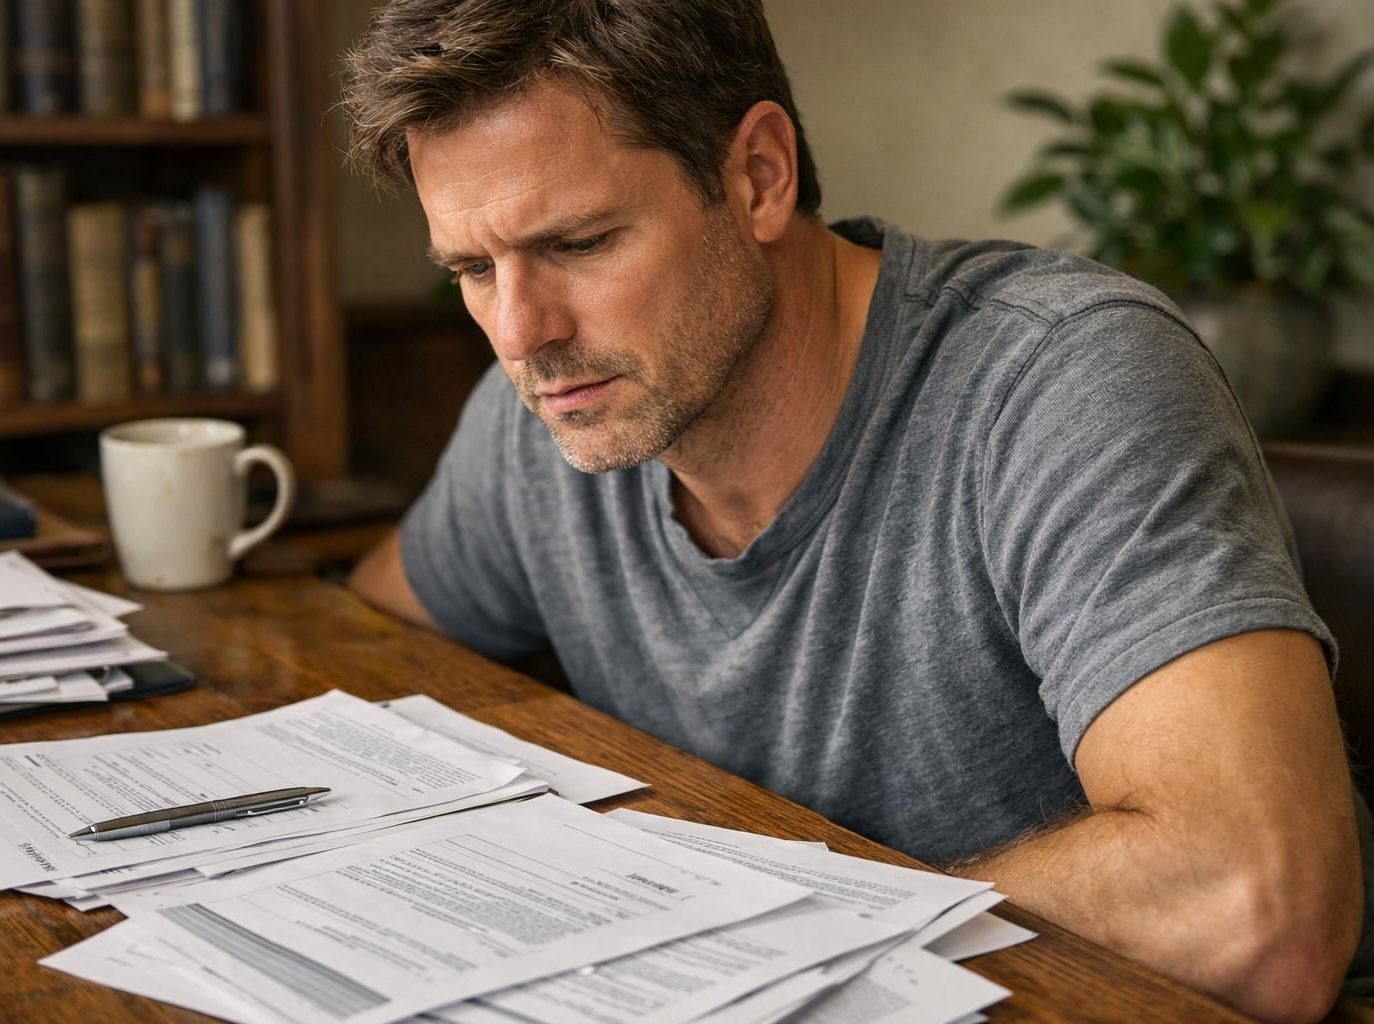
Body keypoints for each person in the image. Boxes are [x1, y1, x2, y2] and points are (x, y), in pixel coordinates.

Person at [337, 2, 1368, 1018]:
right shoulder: (548, 416)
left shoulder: (1060, 378)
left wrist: (758, 937)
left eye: (581, 242)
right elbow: (368, 657)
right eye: (472, 268)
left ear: (758, 176)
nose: (520, 331)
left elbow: (1258, 916)